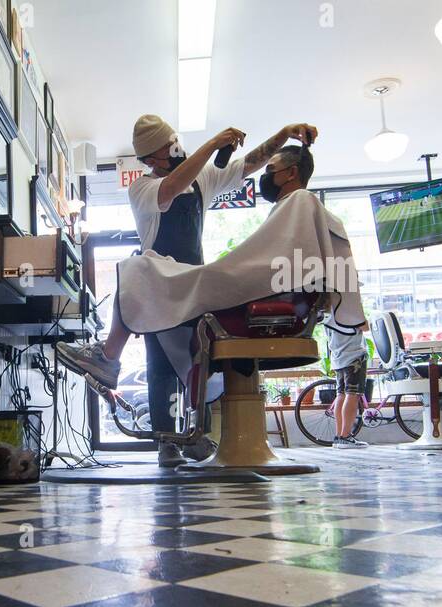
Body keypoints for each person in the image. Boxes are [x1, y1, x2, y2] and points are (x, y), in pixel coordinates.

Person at [59, 116, 318, 467]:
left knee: (199, 360)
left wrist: (283, 134)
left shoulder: (201, 179)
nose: (177, 149)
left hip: (193, 285)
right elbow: (170, 190)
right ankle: (167, 442)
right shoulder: (142, 188)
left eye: (175, 142)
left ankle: (196, 436)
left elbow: (251, 163)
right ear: (151, 160)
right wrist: (211, 145)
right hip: (160, 286)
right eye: (169, 148)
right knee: (160, 363)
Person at [326, 318, 370, 450]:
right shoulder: (349, 305)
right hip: (354, 355)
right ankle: (345, 437)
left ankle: (339, 436)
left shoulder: (327, 308)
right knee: (353, 394)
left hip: (337, 356)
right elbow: (365, 326)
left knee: (341, 394)